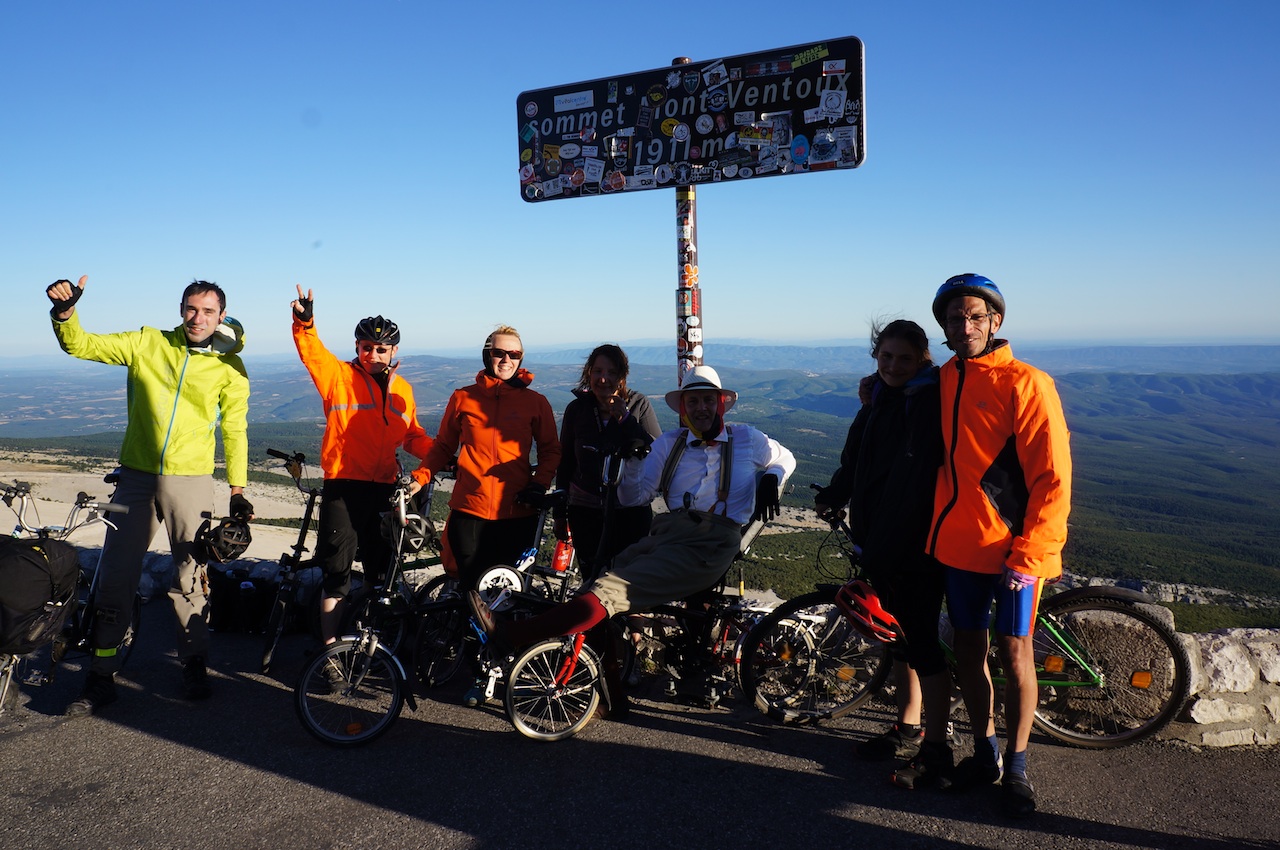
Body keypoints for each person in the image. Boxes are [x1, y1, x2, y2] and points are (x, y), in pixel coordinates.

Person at [469, 365, 795, 717]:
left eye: (707, 400)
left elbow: (785, 458)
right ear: (683, 407)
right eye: (693, 401)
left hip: (712, 542)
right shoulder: (670, 444)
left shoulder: (747, 437)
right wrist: (635, 461)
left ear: (721, 404)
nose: (701, 408)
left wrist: (771, 477)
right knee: (594, 588)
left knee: (608, 590)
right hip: (666, 533)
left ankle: (511, 636)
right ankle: (613, 697)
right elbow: (635, 496)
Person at [45, 275, 252, 715]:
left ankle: (193, 663)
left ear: (221, 316)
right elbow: (82, 345)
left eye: (208, 311)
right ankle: (100, 675)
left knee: (189, 577)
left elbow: (235, 428)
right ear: (181, 310)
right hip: (135, 477)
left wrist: (238, 488)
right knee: (115, 577)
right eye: (191, 309)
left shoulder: (230, 367)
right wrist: (65, 314)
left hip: (191, 479)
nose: (198, 318)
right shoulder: (148, 342)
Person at [926, 273, 1071, 819]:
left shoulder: (1026, 383)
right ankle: (984, 752)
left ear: (996, 321)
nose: (965, 326)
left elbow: (1053, 478)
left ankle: (1017, 766)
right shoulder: (942, 378)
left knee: (1014, 655)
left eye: (976, 316)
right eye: (955, 317)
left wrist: (1031, 554)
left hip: (1013, 552)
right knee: (967, 650)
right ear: (943, 324)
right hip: (960, 547)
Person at [812, 320, 952, 787]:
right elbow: (857, 461)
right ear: (876, 357)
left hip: (914, 546)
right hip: (878, 541)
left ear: (922, 360)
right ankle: (908, 728)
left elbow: (911, 487)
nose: (893, 365)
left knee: (923, 645)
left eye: (904, 359)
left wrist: (885, 546)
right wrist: (834, 494)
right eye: (886, 357)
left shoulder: (923, 404)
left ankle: (937, 749)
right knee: (901, 641)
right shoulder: (879, 401)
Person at [290, 286, 434, 647]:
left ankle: (370, 645)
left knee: (379, 574)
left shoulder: (403, 389)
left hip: (385, 489)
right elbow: (312, 353)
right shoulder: (337, 376)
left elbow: (413, 436)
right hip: (344, 486)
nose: (373, 354)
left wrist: (446, 455)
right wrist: (305, 321)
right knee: (337, 576)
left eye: (381, 349)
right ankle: (330, 654)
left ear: (393, 351)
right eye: (366, 347)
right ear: (357, 347)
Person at [407, 325, 561, 593]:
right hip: (470, 511)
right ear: (486, 356)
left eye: (514, 354)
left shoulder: (536, 402)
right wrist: (420, 478)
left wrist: (539, 484)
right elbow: (443, 446)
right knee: (470, 588)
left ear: (521, 358)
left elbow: (551, 450)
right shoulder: (463, 398)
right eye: (499, 353)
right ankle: (465, 634)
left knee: (506, 594)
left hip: (516, 511)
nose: (506, 360)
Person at [556, 344, 661, 583]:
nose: (603, 379)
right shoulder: (577, 409)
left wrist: (624, 418)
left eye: (612, 373)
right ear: (588, 373)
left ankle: (630, 621)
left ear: (622, 377)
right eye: (597, 371)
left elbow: (655, 451)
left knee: (629, 582)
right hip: (584, 511)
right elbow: (566, 462)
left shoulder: (638, 404)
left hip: (630, 513)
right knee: (592, 579)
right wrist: (560, 514)